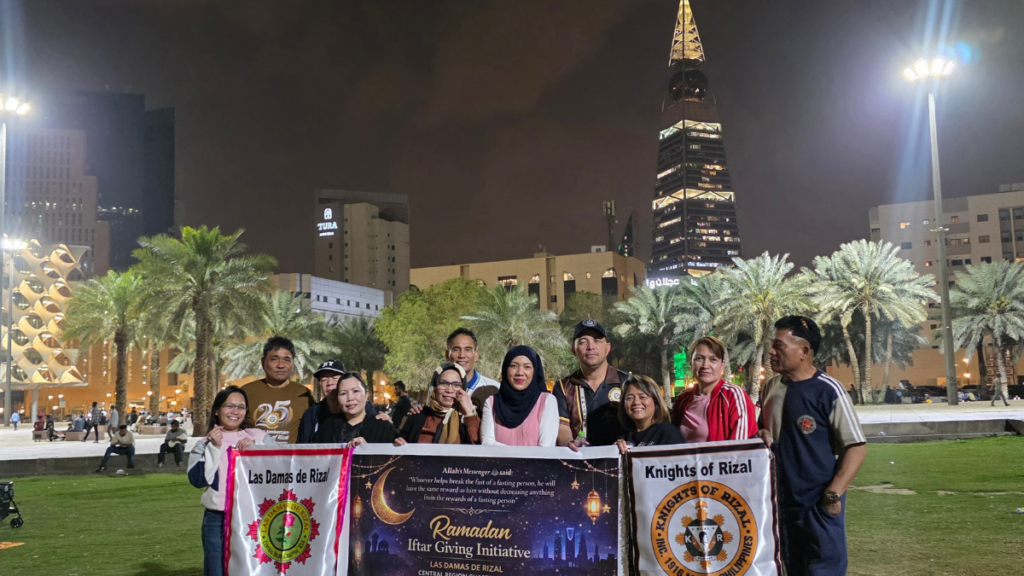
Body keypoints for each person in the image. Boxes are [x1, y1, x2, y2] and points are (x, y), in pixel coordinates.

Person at [757, 316, 867, 576]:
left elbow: (857, 448)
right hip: (781, 506)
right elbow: (764, 432)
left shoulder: (829, 390)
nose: (771, 352)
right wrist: (760, 433)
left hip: (817, 506)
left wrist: (833, 495)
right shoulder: (770, 387)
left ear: (804, 351)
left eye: (778, 346)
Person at [188, 386, 277, 576]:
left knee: (255, 569)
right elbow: (198, 480)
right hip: (218, 519)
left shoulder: (258, 436)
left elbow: (283, 464)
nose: (235, 411)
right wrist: (214, 447)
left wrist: (258, 448)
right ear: (217, 410)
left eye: (240, 407)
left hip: (254, 516)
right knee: (216, 570)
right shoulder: (204, 444)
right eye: (229, 406)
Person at [554, 319, 629, 449]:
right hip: (580, 458)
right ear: (574, 350)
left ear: (608, 348)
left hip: (619, 457)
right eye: (583, 342)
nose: (591, 347)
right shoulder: (563, 387)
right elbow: (562, 427)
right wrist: (570, 444)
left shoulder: (627, 382)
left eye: (597, 340)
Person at [670, 336, 756, 443]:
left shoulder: (733, 395)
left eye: (713, 359)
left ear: (722, 365)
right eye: (699, 358)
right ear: (691, 363)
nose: (705, 365)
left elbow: (740, 447)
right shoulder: (683, 400)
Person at [240, 336, 313, 444]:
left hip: (290, 455)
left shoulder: (304, 394)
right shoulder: (246, 392)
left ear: (293, 364)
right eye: (274, 359)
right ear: (263, 362)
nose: (280, 365)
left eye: (287, 360)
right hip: (254, 454)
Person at [480, 346, 559, 446]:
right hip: (497, 458)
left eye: (527, 367)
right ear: (505, 369)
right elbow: (487, 442)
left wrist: (512, 454)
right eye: (514, 366)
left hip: (535, 458)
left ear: (535, 371)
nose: (520, 372)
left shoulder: (546, 401)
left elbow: (546, 447)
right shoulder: (492, 402)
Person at [396, 363, 480, 445]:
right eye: (443, 383)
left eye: (456, 385)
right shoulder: (418, 414)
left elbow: (477, 448)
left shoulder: (469, 418)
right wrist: (399, 443)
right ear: (434, 388)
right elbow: (402, 443)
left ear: (463, 389)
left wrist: (470, 414)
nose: (449, 390)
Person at [312, 373, 397, 446]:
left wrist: (368, 451)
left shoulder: (383, 427)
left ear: (366, 394)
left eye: (355, 391)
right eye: (343, 393)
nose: (350, 398)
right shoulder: (327, 428)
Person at [615, 375, 685, 454]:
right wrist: (615, 451)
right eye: (629, 398)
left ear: (655, 400)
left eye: (642, 397)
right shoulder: (623, 436)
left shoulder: (668, 433)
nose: (636, 402)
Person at [446, 328, 500, 410]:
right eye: (456, 349)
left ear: (476, 355)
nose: (462, 355)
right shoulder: (437, 390)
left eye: (467, 350)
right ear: (447, 355)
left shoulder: (495, 390)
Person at [297, 360, 346, 444]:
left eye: (334, 378)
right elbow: (303, 446)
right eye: (324, 379)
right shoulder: (312, 413)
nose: (329, 383)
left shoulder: (356, 411)